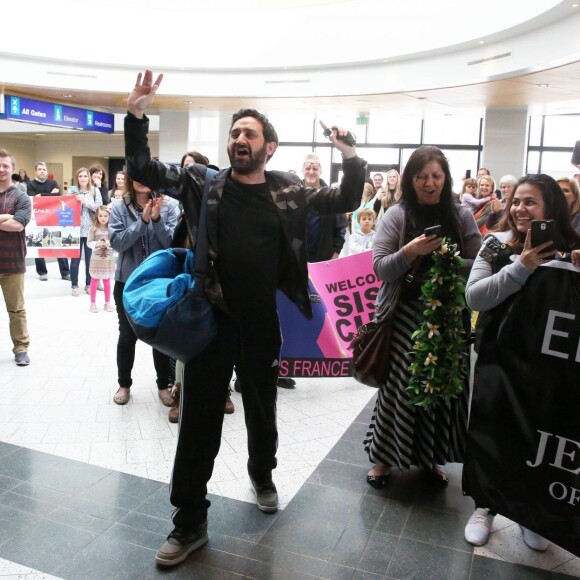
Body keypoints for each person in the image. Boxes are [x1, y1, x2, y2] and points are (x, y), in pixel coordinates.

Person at [124, 70, 366, 567]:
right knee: (199, 422)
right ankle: (188, 522)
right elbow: (144, 169)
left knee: (261, 408)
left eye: (249, 133)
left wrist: (348, 154)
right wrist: (137, 115)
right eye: (235, 133)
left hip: (261, 324)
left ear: (269, 147)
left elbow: (347, 199)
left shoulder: (289, 191)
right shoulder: (202, 182)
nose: (239, 139)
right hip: (210, 322)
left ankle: (263, 473)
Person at [463, 173, 580, 551]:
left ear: (552, 208)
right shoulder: (497, 243)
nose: (520, 209)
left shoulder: (572, 247)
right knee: (494, 433)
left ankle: (533, 512)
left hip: (549, 367)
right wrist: (522, 265)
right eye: (516, 201)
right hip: (500, 361)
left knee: (536, 435)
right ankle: (485, 506)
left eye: (530, 202)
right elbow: (476, 297)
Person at [363, 145, 481, 489]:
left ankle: (430, 457)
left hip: (449, 319)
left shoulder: (461, 216)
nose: (430, 183)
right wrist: (409, 251)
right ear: (410, 180)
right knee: (399, 390)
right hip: (404, 318)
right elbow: (381, 269)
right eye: (422, 176)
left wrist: (450, 262)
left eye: (436, 176)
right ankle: (384, 458)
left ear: (445, 178)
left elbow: (479, 265)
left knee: (443, 390)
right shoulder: (396, 216)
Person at [109, 174, 179, 407]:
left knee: (159, 334)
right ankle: (124, 384)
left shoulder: (168, 206)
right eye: (136, 176)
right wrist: (143, 222)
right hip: (127, 282)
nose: (142, 180)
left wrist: (157, 219)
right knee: (127, 336)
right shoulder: (119, 208)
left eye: (146, 174)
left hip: (158, 283)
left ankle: (163, 386)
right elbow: (118, 243)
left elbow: (171, 244)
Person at [0, 149, 32, 366]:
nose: (1, 169)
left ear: (12, 169)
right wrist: (3, 217)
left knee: (16, 309)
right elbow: (9, 222)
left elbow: (18, 224)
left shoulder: (21, 196)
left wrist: (10, 219)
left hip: (12, 263)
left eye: (5, 166)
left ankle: (21, 349)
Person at [27, 161, 70, 281]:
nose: (42, 171)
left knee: (59, 245)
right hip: (38, 218)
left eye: (44, 169)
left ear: (47, 171)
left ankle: (65, 273)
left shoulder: (53, 182)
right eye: (39, 169)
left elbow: (58, 197)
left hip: (53, 218)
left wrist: (41, 195)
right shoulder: (30, 184)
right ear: (36, 171)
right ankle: (42, 272)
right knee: (38, 245)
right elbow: (33, 199)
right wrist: (48, 195)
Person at [69, 167, 103, 296]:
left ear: (89, 177)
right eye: (80, 176)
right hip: (75, 229)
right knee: (75, 259)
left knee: (90, 259)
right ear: (77, 178)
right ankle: (74, 285)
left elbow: (99, 208)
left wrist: (86, 202)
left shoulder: (94, 191)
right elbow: (65, 208)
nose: (83, 178)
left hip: (90, 229)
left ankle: (89, 284)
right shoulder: (72, 191)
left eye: (85, 176)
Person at [87, 206, 115, 313]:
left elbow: (115, 242)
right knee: (94, 280)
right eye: (100, 216)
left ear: (109, 216)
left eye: (105, 216)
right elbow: (89, 242)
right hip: (96, 259)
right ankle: (92, 303)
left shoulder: (111, 229)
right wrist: (96, 243)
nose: (103, 218)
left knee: (107, 280)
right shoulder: (93, 229)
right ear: (97, 216)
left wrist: (109, 243)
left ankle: (107, 303)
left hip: (108, 259)